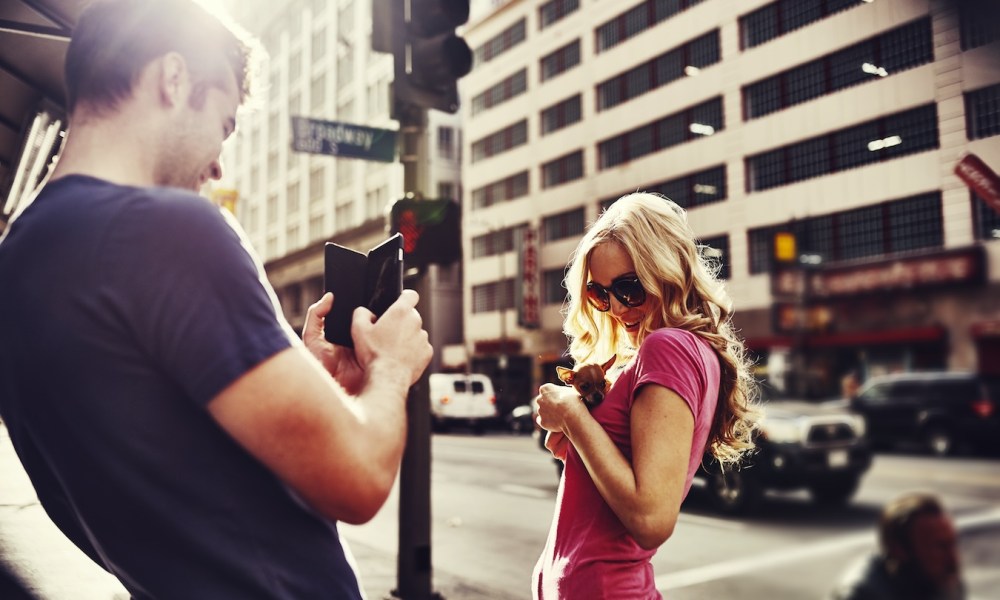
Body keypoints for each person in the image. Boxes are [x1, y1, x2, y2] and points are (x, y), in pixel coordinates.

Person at [0, 1, 432, 598]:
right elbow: (358, 479)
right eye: (223, 124)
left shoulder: (19, 261)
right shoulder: (174, 229)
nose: (219, 161)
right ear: (174, 79)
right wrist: (392, 370)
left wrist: (308, 385)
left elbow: (176, 471)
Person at [532, 192, 760, 599]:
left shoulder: (669, 347)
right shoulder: (664, 353)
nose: (617, 308)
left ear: (666, 271)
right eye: (600, 294)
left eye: (629, 288)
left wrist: (572, 416)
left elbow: (652, 518)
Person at [830, 492, 965, 600]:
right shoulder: (862, 594)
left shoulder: (945, 580)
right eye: (939, 547)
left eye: (952, 544)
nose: (953, 558)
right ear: (899, 550)